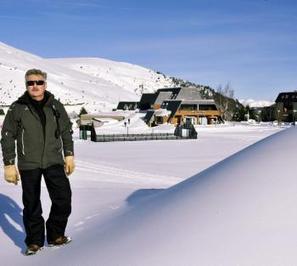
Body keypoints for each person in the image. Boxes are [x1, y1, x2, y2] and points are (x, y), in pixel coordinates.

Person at [1, 69, 75, 255]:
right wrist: (9, 163)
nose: (35, 86)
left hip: (53, 160)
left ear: (45, 84)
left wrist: (69, 154)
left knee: (63, 199)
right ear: (26, 85)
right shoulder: (17, 108)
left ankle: (55, 235)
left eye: (39, 82)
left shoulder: (56, 106)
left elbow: (66, 130)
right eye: (30, 83)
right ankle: (34, 241)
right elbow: (7, 135)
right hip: (29, 164)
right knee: (32, 204)